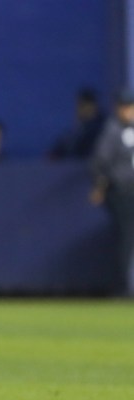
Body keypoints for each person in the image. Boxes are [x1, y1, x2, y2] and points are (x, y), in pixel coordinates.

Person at [89, 88, 134, 297]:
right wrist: (100, 185)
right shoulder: (112, 130)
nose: (128, 111)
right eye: (125, 106)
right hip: (121, 192)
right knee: (126, 236)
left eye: (130, 106)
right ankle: (124, 286)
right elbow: (99, 162)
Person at [49, 87, 106, 159]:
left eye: (82, 105)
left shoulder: (99, 128)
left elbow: (79, 148)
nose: (79, 110)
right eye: (79, 106)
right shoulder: (81, 128)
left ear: (93, 106)